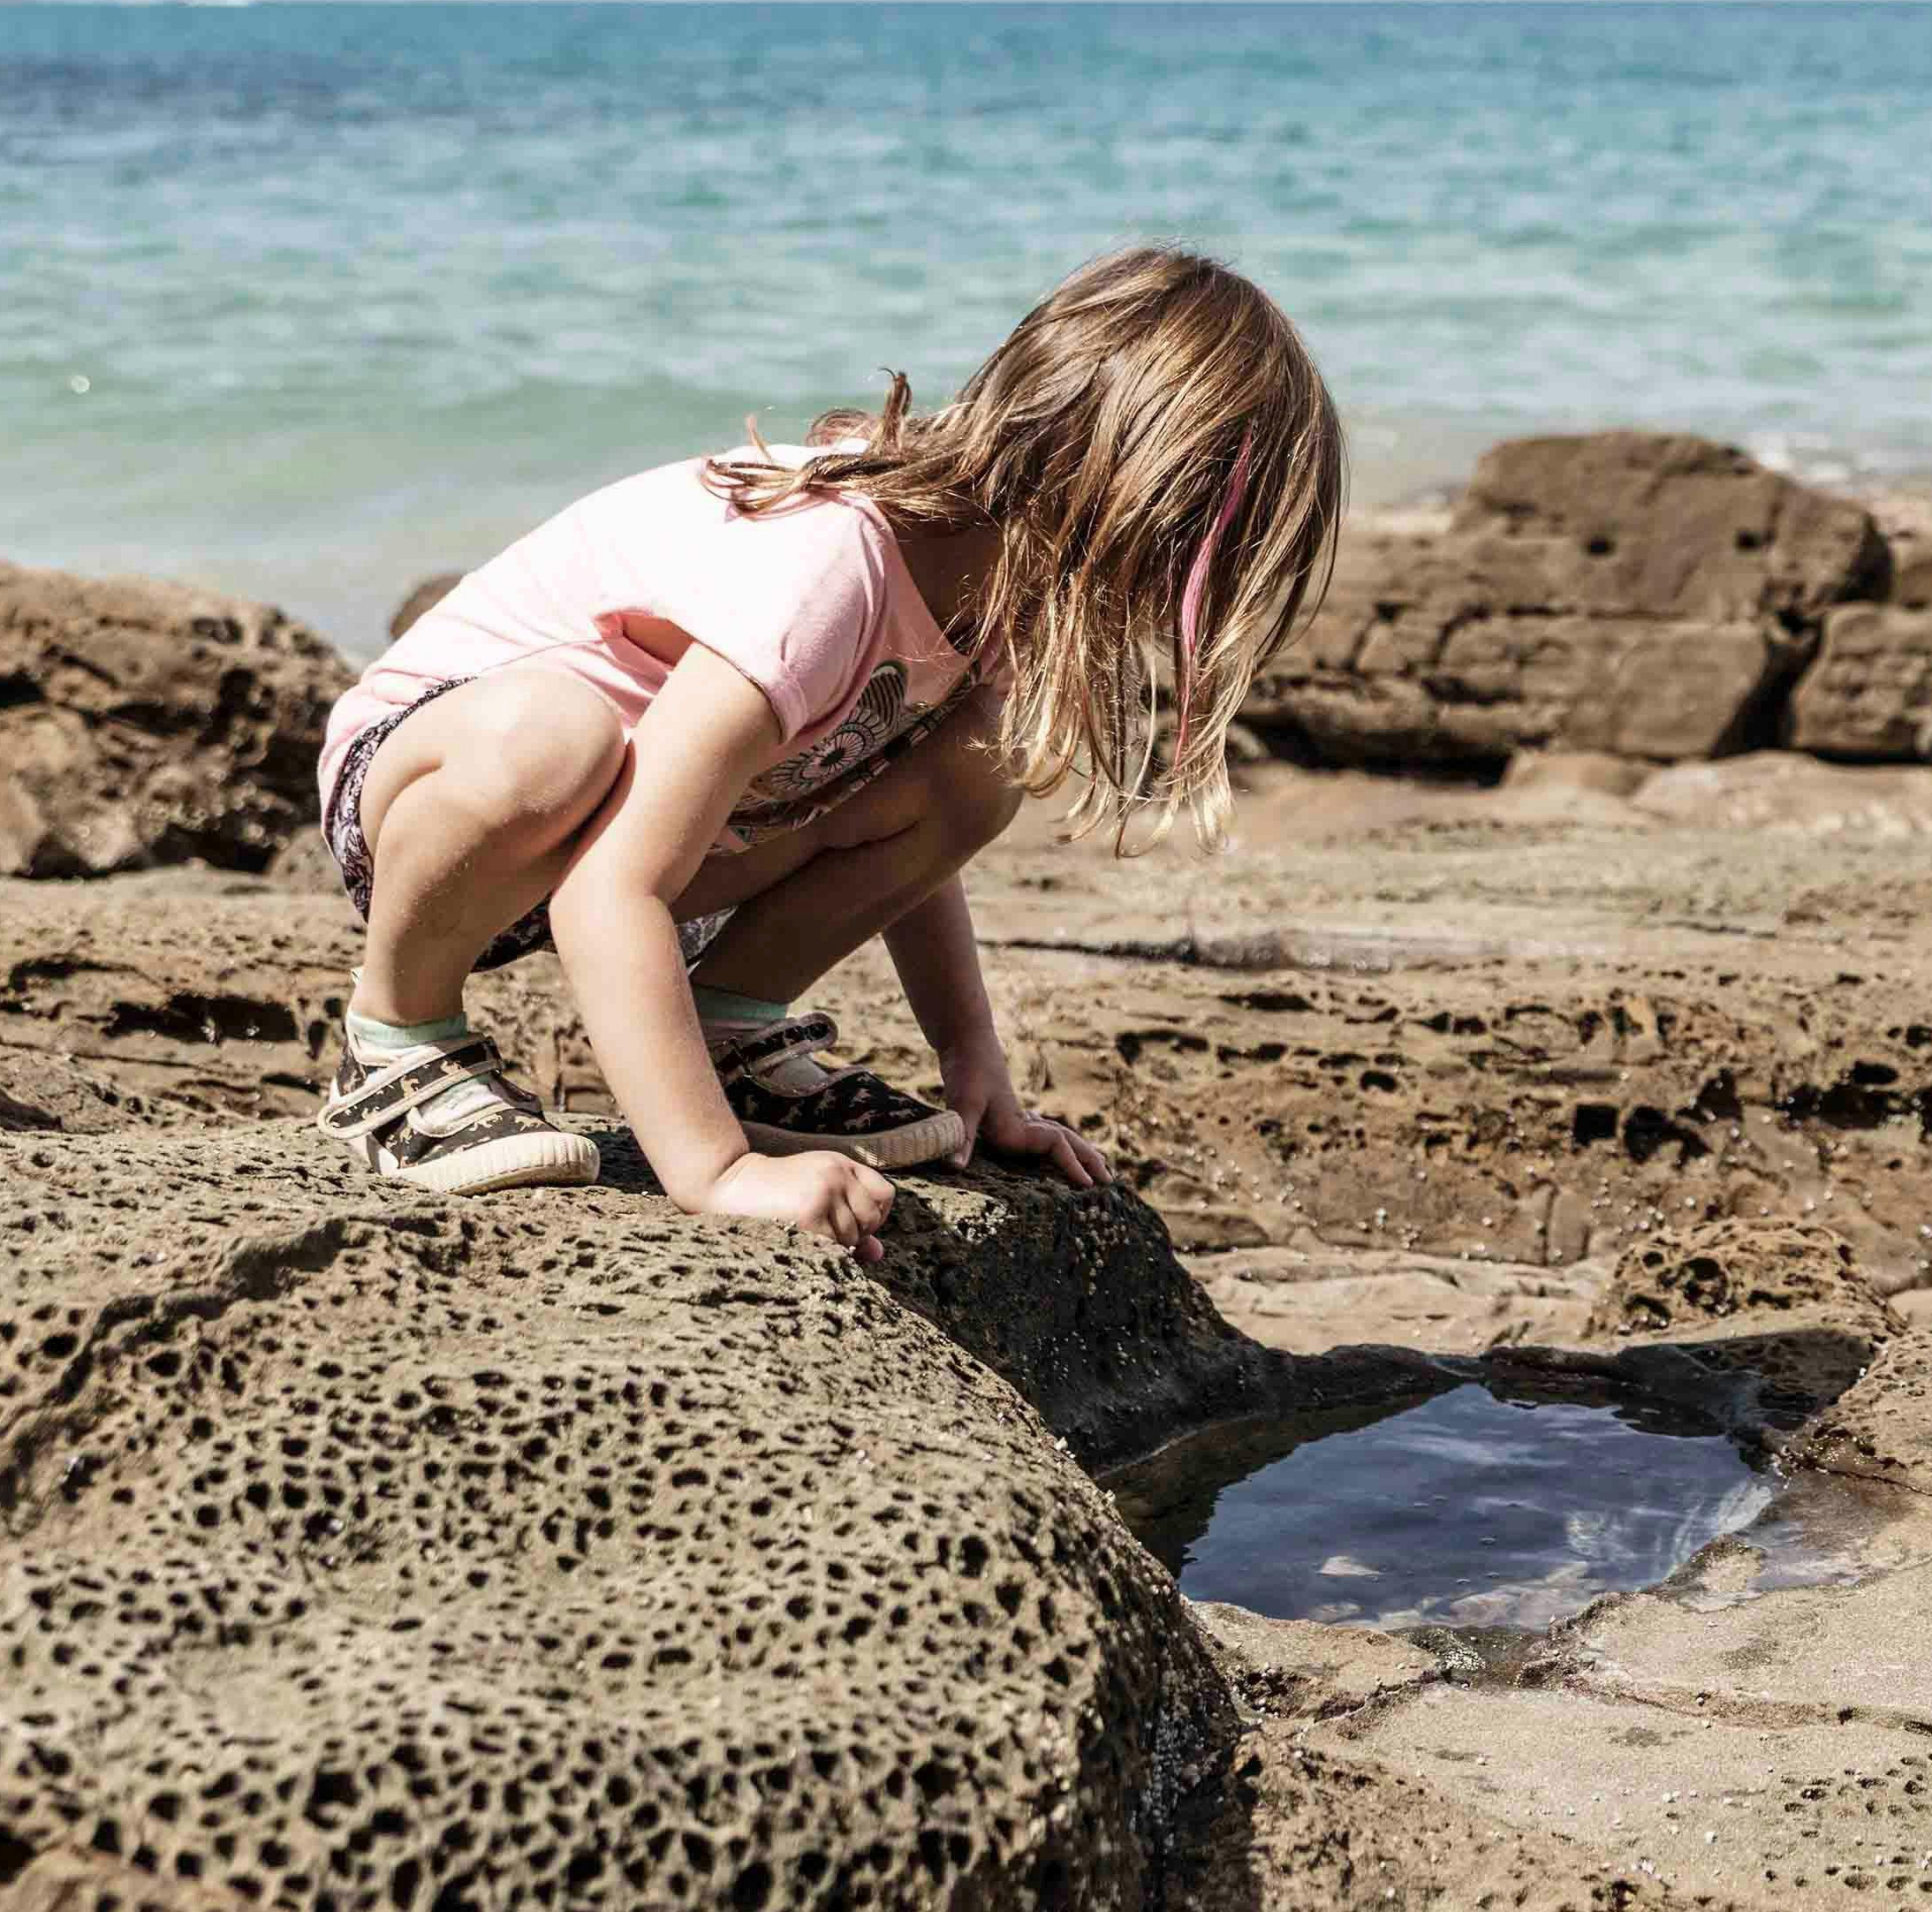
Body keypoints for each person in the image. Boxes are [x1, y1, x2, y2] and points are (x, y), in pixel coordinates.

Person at [309, 247, 1340, 1256]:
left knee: (978, 770)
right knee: (555, 741)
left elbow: (895, 810)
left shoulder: (994, 591)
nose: (1164, 608)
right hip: (439, 798)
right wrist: (714, 1172)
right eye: (1190, 562)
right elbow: (607, 893)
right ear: (1114, 497)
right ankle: (399, 1037)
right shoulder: (828, 566)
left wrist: (971, 1059)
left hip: (640, 828)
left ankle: (728, 1029)